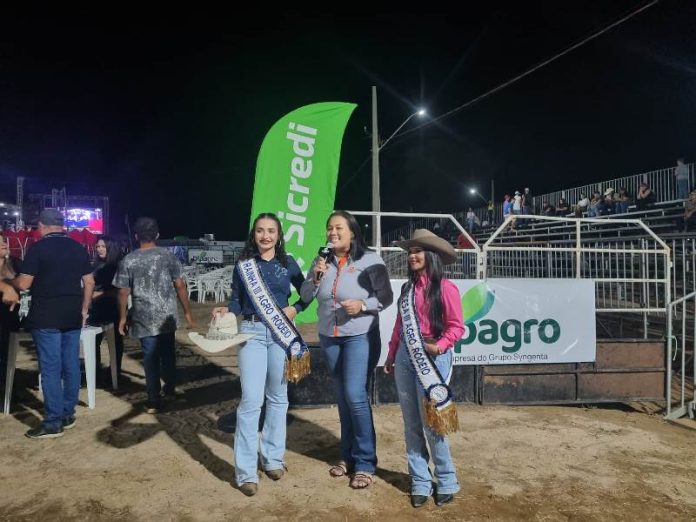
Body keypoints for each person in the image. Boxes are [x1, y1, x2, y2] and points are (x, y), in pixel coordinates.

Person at [211, 213, 309, 497]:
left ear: (278, 236)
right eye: (260, 231)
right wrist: (227, 309)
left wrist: (296, 309)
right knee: (251, 401)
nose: (265, 236)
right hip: (251, 334)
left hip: (280, 334)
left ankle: (273, 459)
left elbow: (307, 292)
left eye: (271, 231)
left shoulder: (288, 263)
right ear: (253, 235)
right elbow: (236, 300)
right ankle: (245, 472)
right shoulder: (243, 266)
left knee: (278, 398)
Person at [300, 210, 393, 490]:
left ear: (352, 232)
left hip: (359, 335)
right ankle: (347, 456)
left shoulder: (370, 260)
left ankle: (365, 462)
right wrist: (316, 277)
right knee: (342, 397)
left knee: (355, 394)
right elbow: (305, 296)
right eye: (329, 228)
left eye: (338, 227)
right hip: (329, 337)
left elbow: (386, 297)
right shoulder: (321, 261)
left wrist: (363, 305)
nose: (332, 232)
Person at [384, 229, 464, 508]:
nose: (412, 256)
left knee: (432, 422)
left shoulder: (446, 288)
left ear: (431, 255)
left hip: (433, 356)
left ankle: (447, 479)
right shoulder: (407, 290)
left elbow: (456, 327)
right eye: (410, 252)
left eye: (418, 251)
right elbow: (400, 325)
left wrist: (439, 346)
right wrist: (391, 354)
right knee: (411, 422)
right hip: (405, 357)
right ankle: (419, 479)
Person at [12, 209, 94, 439]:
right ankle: (67, 414)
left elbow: (25, 283)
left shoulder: (38, 248)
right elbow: (89, 282)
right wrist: (84, 309)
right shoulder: (78, 248)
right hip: (72, 314)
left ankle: (52, 422)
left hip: (46, 315)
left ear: (42, 226)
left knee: (50, 368)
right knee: (70, 364)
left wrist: (9, 281)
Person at [113, 217, 194, 414]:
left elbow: (122, 292)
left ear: (136, 236)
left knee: (149, 358)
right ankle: (170, 390)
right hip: (167, 316)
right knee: (168, 354)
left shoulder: (128, 260)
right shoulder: (168, 257)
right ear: (157, 235)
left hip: (143, 317)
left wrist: (122, 317)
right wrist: (187, 312)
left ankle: (153, 400)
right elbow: (180, 285)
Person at [88, 236, 124, 381]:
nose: (100, 249)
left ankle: (115, 373)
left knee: (115, 343)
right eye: (98, 247)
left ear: (111, 248)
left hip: (113, 309)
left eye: (103, 246)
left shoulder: (118, 266)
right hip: (96, 309)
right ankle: (95, 372)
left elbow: (121, 290)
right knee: (93, 342)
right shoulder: (95, 265)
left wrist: (100, 294)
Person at [0, 236, 21, 385]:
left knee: (7, 352)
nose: (3, 244)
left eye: (3, 240)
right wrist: (6, 287)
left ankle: (7, 385)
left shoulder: (15, 263)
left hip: (11, 317)